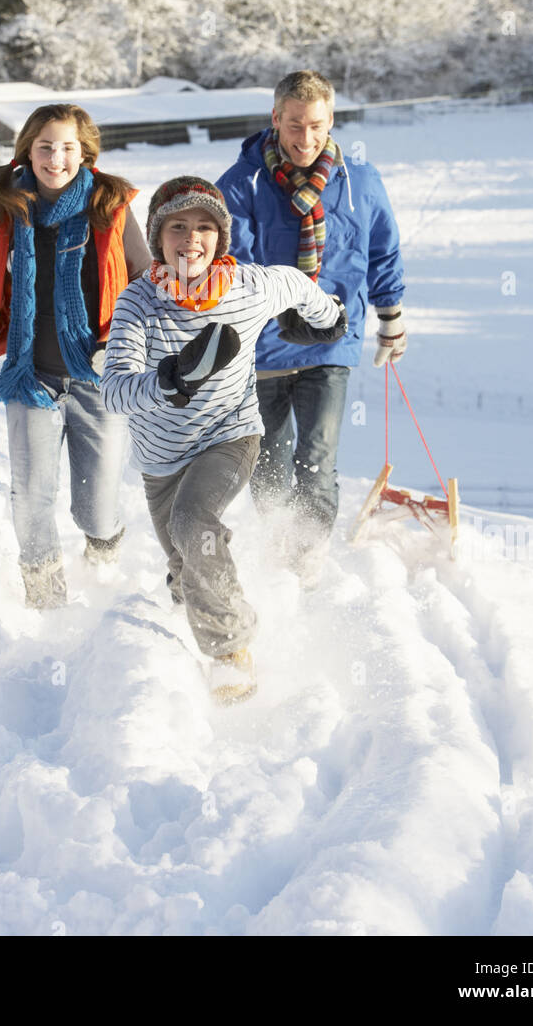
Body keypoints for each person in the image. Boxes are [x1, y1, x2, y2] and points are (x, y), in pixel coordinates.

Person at [99, 176, 346, 703]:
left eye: (205, 228)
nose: (192, 239)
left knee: (195, 523)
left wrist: (329, 320)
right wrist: (166, 381)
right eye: (178, 227)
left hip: (229, 436)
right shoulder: (137, 303)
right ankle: (192, 601)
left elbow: (299, 285)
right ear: (159, 236)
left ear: (221, 238)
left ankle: (232, 650)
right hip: (161, 457)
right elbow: (114, 393)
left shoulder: (250, 286)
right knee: (184, 565)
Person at [0, 103, 151, 609]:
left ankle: (104, 556)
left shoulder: (109, 207)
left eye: (67, 147)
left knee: (96, 508)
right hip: (30, 379)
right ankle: (47, 604)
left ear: (84, 153)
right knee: (31, 500)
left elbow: (147, 286)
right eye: (45, 146)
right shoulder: (4, 213)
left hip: (100, 379)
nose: (55, 158)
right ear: (28, 149)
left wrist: (130, 344)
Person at [215, 70, 406, 583]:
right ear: (276, 119)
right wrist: (282, 312)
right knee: (270, 462)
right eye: (294, 124)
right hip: (261, 350)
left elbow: (381, 250)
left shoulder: (360, 181)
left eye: (316, 125)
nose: (305, 138)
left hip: (332, 344)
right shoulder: (241, 184)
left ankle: (309, 559)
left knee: (318, 457)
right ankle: (278, 549)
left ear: (331, 121)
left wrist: (390, 317)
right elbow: (233, 265)